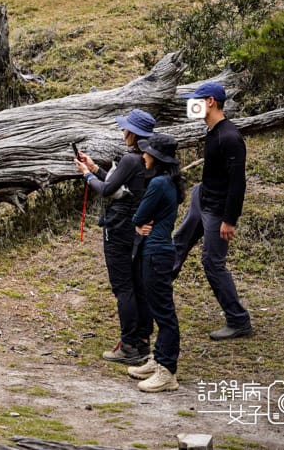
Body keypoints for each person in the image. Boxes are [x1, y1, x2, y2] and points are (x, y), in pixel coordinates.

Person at [75, 109, 156, 365]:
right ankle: (142, 341)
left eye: (126, 128)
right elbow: (122, 188)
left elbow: (108, 190)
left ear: (133, 133)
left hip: (119, 227)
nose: (123, 132)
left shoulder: (131, 160)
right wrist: (95, 168)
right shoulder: (150, 158)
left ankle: (129, 345)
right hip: (137, 227)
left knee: (123, 287)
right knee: (137, 285)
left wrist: (87, 175)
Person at [173, 82, 252, 340]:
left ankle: (239, 321)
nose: (190, 105)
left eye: (194, 100)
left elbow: (237, 183)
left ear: (209, 102)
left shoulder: (229, 137)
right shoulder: (212, 131)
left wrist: (229, 219)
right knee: (179, 244)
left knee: (212, 263)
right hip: (202, 198)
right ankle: (155, 290)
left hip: (217, 210)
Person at [127, 133, 185, 392]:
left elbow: (139, 216)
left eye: (147, 152)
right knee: (157, 307)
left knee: (163, 312)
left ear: (157, 157)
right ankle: (158, 359)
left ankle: (167, 371)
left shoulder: (159, 184)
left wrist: (138, 222)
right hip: (159, 250)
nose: (143, 155)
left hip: (156, 252)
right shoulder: (169, 181)